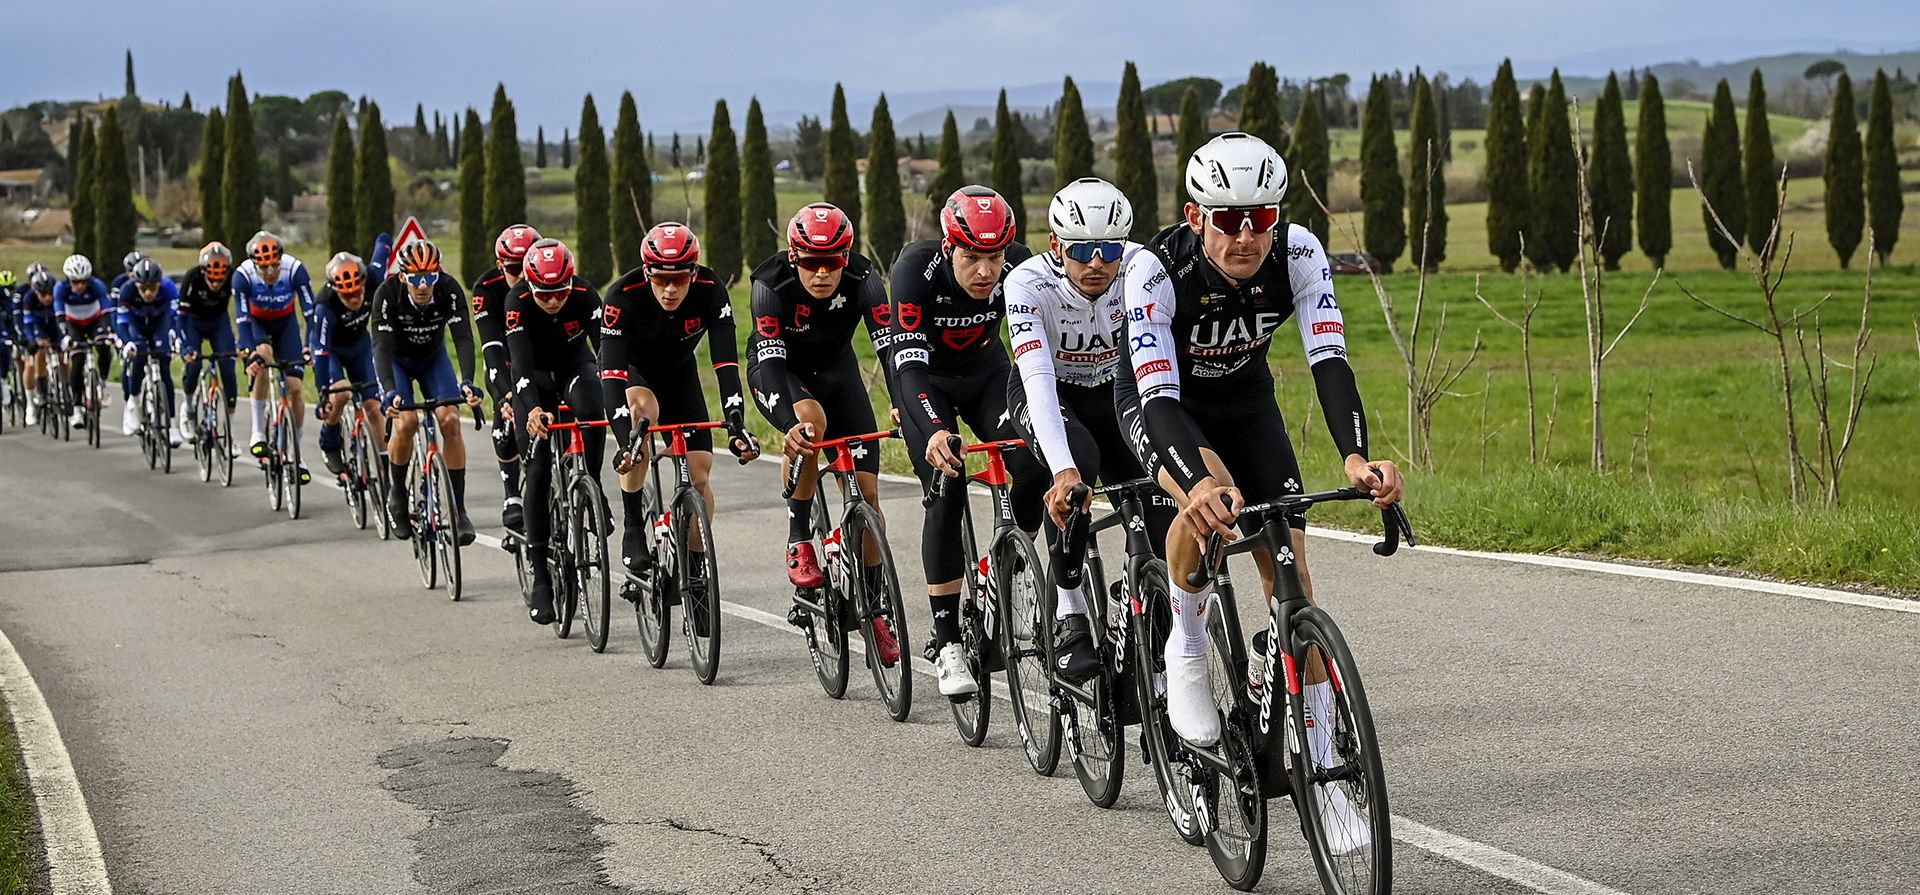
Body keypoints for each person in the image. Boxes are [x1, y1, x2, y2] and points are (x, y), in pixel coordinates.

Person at [1123, 132, 1402, 853]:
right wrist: (1195, 484)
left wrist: (1356, 458)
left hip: (1247, 402)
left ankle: (1326, 774)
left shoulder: (1300, 253)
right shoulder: (1154, 272)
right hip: (1165, 405)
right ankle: (1184, 647)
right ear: (1194, 215)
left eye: (1263, 218)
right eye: (1228, 220)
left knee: (1296, 580)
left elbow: (1329, 357)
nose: (1247, 235)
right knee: (1208, 502)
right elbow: (1156, 400)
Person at [1004, 178, 1175, 682]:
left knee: (1159, 491)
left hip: (1116, 393)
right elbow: (1036, 379)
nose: (1097, 262)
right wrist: (1062, 471)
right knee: (1079, 477)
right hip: (1050, 392)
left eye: (1108, 249)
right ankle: (1069, 610)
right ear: (1057, 246)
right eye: (1082, 250)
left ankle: (1140, 595)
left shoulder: (1141, 269)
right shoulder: (1027, 285)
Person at [889, 185, 1041, 696]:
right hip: (925, 379)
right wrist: (934, 431)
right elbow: (907, 364)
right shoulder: (915, 270)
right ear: (950, 246)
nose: (985, 271)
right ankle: (948, 638)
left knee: (1035, 462)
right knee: (947, 479)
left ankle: (1003, 570)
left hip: (986, 373)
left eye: (995, 257)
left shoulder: (1021, 267)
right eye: (972, 256)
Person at [745, 203, 899, 663]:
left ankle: (874, 610)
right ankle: (799, 537)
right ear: (795, 258)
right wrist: (789, 426)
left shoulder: (865, 279)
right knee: (812, 425)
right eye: (811, 262)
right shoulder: (769, 284)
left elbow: (891, 348)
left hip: (838, 371)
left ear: (846, 256)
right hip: (782, 370)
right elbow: (771, 361)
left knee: (869, 500)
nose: (821, 273)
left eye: (832, 262)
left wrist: (901, 402)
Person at [601, 222, 758, 597]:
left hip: (680, 374)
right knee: (643, 415)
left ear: (693, 272)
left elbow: (725, 363)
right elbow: (611, 376)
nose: (670, 289)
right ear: (646, 272)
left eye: (679, 279)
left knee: (700, 477)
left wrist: (736, 420)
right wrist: (626, 443)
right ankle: (633, 523)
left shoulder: (710, 289)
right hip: (633, 372)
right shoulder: (622, 295)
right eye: (661, 280)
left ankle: (697, 563)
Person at [506, 239, 606, 625]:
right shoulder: (516, 302)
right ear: (530, 286)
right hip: (533, 380)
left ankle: (592, 486)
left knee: (593, 409)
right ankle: (541, 577)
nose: (552, 300)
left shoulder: (585, 295)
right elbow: (519, 369)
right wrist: (530, 408)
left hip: (573, 367)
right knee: (538, 470)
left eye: (560, 291)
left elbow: (605, 350)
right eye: (544, 293)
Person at [372, 240, 482, 544]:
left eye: (430, 277)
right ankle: (396, 496)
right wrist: (390, 391)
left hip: (433, 359)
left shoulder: (449, 289)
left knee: (450, 420)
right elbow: (380, 348)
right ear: (403, 276)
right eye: (416, 278)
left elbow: (463, 339)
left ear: (439, 274)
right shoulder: (387, 294)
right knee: (406, 422)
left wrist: (468, 381)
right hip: (397, 362)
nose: (423, 286)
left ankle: (458, 509)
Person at [470, 224, 541, 532]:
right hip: (506, 363)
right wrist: (504, 395)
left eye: (528, 265)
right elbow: (491, 348)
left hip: (542, 360)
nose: (523, 275)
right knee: (508, 414)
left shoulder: (547, 281)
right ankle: (512, 494)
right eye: (514, 268)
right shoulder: (486, 289)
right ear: (500, 266)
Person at [232, 231, 315, 478]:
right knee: (264, 355)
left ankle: (296, 454)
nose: (270, 272)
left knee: (295, 388)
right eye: (264, 267)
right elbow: (242, 319)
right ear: (254, 264)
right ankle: (258, 430)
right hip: (257, 323)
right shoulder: (243, 275)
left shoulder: (295, 270)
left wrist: (310, 345)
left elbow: (311, 314)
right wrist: (249, 353)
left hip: (285, 323)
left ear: (281, 259)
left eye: (274, 265)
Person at [311, 253, 387, 478]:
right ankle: (330, 440)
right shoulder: (324, 305)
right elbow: (322, 352)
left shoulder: (373, 278)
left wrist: (385, 242)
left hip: (359, 345)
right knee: (341, 393)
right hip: (330, 351)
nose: (354, 299)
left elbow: (383, 244)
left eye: (357, 292)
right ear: (336, 290)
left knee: (374, 405)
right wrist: (323, 393)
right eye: (347, 295)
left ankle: (388, 472)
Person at [175, 243, 239, 444]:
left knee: (228, 367)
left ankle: (229, 430)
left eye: (220, 280)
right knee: (193, 365)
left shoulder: (234, 278)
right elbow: (181, 318)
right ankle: (188, 407)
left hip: (218, 322)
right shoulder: (191, 278)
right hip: (193, 321)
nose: (215, 284)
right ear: (204, 272)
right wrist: (186, 347)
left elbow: (242, 308)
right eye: (211, 279)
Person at [111, 257, 180, 443]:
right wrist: (127, 342)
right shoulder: (127, 290)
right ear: (136, 284)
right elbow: (122, 322)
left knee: (164, 368)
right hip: (136, 325)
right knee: (138, 355)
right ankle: (132, 402)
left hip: (159, 324)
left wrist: (176, 336)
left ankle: (172, 424)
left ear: (159, 284)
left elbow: (176, 317)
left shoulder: (168, 288)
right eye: (143, 289)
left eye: (152, 288)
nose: (148, 293)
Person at [53, 254, 114, 429]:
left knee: (103, 346)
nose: (80, 286)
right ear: (68, 279)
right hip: (73, 324)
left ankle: (102, 382)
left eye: (83, 281)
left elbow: (106, 309)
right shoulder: (60, 288)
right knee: (78, 359)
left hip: (94, 321)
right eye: (75, 282)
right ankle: (77, 407)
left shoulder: (97, 286)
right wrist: (65, 336)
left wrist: (108, 332)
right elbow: (59, 315)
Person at [19, 270, 59, 426]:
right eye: (43, 294)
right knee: (38, 354)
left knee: (63, 357)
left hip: (54, 326)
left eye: (50, 294)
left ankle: (66, 391)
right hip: (37, 327)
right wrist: (31, 340)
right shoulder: (28, 298)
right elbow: (27, 323)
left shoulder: (58, 297)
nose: (48, 298)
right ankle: (34, 399)